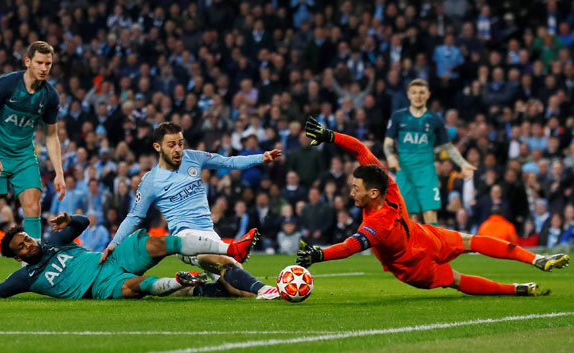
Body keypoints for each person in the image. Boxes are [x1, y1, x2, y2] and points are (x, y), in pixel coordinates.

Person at [299, 117, 569, 296]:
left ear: (372, 192)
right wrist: (331, 136)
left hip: (413, 266)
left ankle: (517, 288)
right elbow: (359, 149)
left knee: (456, 279)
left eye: (355, 188)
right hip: (424, 237)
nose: (351, 192)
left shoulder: (376, 224)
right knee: (470, 241)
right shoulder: (389, 185)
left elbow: (349, 248)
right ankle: (534, 259)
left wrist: (319, 255)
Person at [102, 122, 282, 300]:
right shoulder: (151, 181)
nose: (178, 149)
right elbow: (134, 216)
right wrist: (114, 243)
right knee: (219, 260)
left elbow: (229, 162)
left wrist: (261, 158)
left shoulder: (193, 158)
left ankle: (193, 289)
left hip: (209, 233)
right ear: (158, 147)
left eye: (180, 143)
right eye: (171, 144)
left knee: (240, 291)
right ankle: (265, 289)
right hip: (184, 237)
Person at [0, 213, 259, 301]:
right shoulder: (24, 278)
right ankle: (183, 282)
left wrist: (70, 221)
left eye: (27, 238)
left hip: (107, 258)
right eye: (21, 247)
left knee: (156, 243)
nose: (29, 244)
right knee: (137, 287)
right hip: (99, 284)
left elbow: (85, 223)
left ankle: (229, 248)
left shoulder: (52, 242)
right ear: (15, 257)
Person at [0, 41, 66, 287]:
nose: (44, 68)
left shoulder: (50, 96)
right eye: (39, 63)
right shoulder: (6, 84)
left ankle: (30, 271)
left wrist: (59, 172)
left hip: (24, 157)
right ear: (27, 62)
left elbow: (50, 135)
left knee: (33, 208)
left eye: (48, 64)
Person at [383, 79, 476, 226]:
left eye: (421, 92)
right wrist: (390, 157)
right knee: (409, 214)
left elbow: (448, 147)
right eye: (414, 92)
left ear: (428, 95)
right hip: (405, 171)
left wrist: (463, 164)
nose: (418, 96)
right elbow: (388, 143)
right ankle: (411, 248)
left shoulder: (435, 119)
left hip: (427, 172)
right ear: (408, 95)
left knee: (430, 212)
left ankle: (432, 247)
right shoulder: (398, 117)